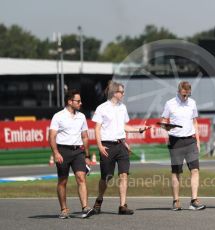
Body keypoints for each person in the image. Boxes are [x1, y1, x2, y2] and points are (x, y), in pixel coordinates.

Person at [91, 81, 150, 215]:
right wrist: (100, 146)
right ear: (114, 93)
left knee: (124, 174)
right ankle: (99, 199)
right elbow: (97, 128)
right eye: (121, 92)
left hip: (121, 145)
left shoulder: (123, 107)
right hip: (107, 145)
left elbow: (124, 126)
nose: (123, 94)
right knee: (107, 176)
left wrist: (138, 129)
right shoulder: (102, 108)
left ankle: (122, 205)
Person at [49, 89, 94, 219]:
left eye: (80, 101)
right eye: (78, 101)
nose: (80, 103)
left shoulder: (82, 116)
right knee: (63, 181)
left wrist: (87, 156)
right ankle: (64, 209)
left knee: (81, 177)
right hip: (63, 151)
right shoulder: (58, 116)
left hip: (78, 152)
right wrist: (56, 152)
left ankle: (85, 207)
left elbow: (85, 136)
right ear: (70, 101)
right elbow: (51, 136)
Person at [160, 81, 206, 211]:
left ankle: (194, 200)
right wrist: (166, 126)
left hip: (190, 140)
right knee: (176, 172)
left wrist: (197, 140)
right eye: (184, 94)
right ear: (179, 91)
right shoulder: (170, 104)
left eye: (188, 95)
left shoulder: (192, 103)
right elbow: (163, 121)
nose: (185, 97)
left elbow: (194, 121)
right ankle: (176, 201)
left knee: (195, 170)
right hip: (176, 141)